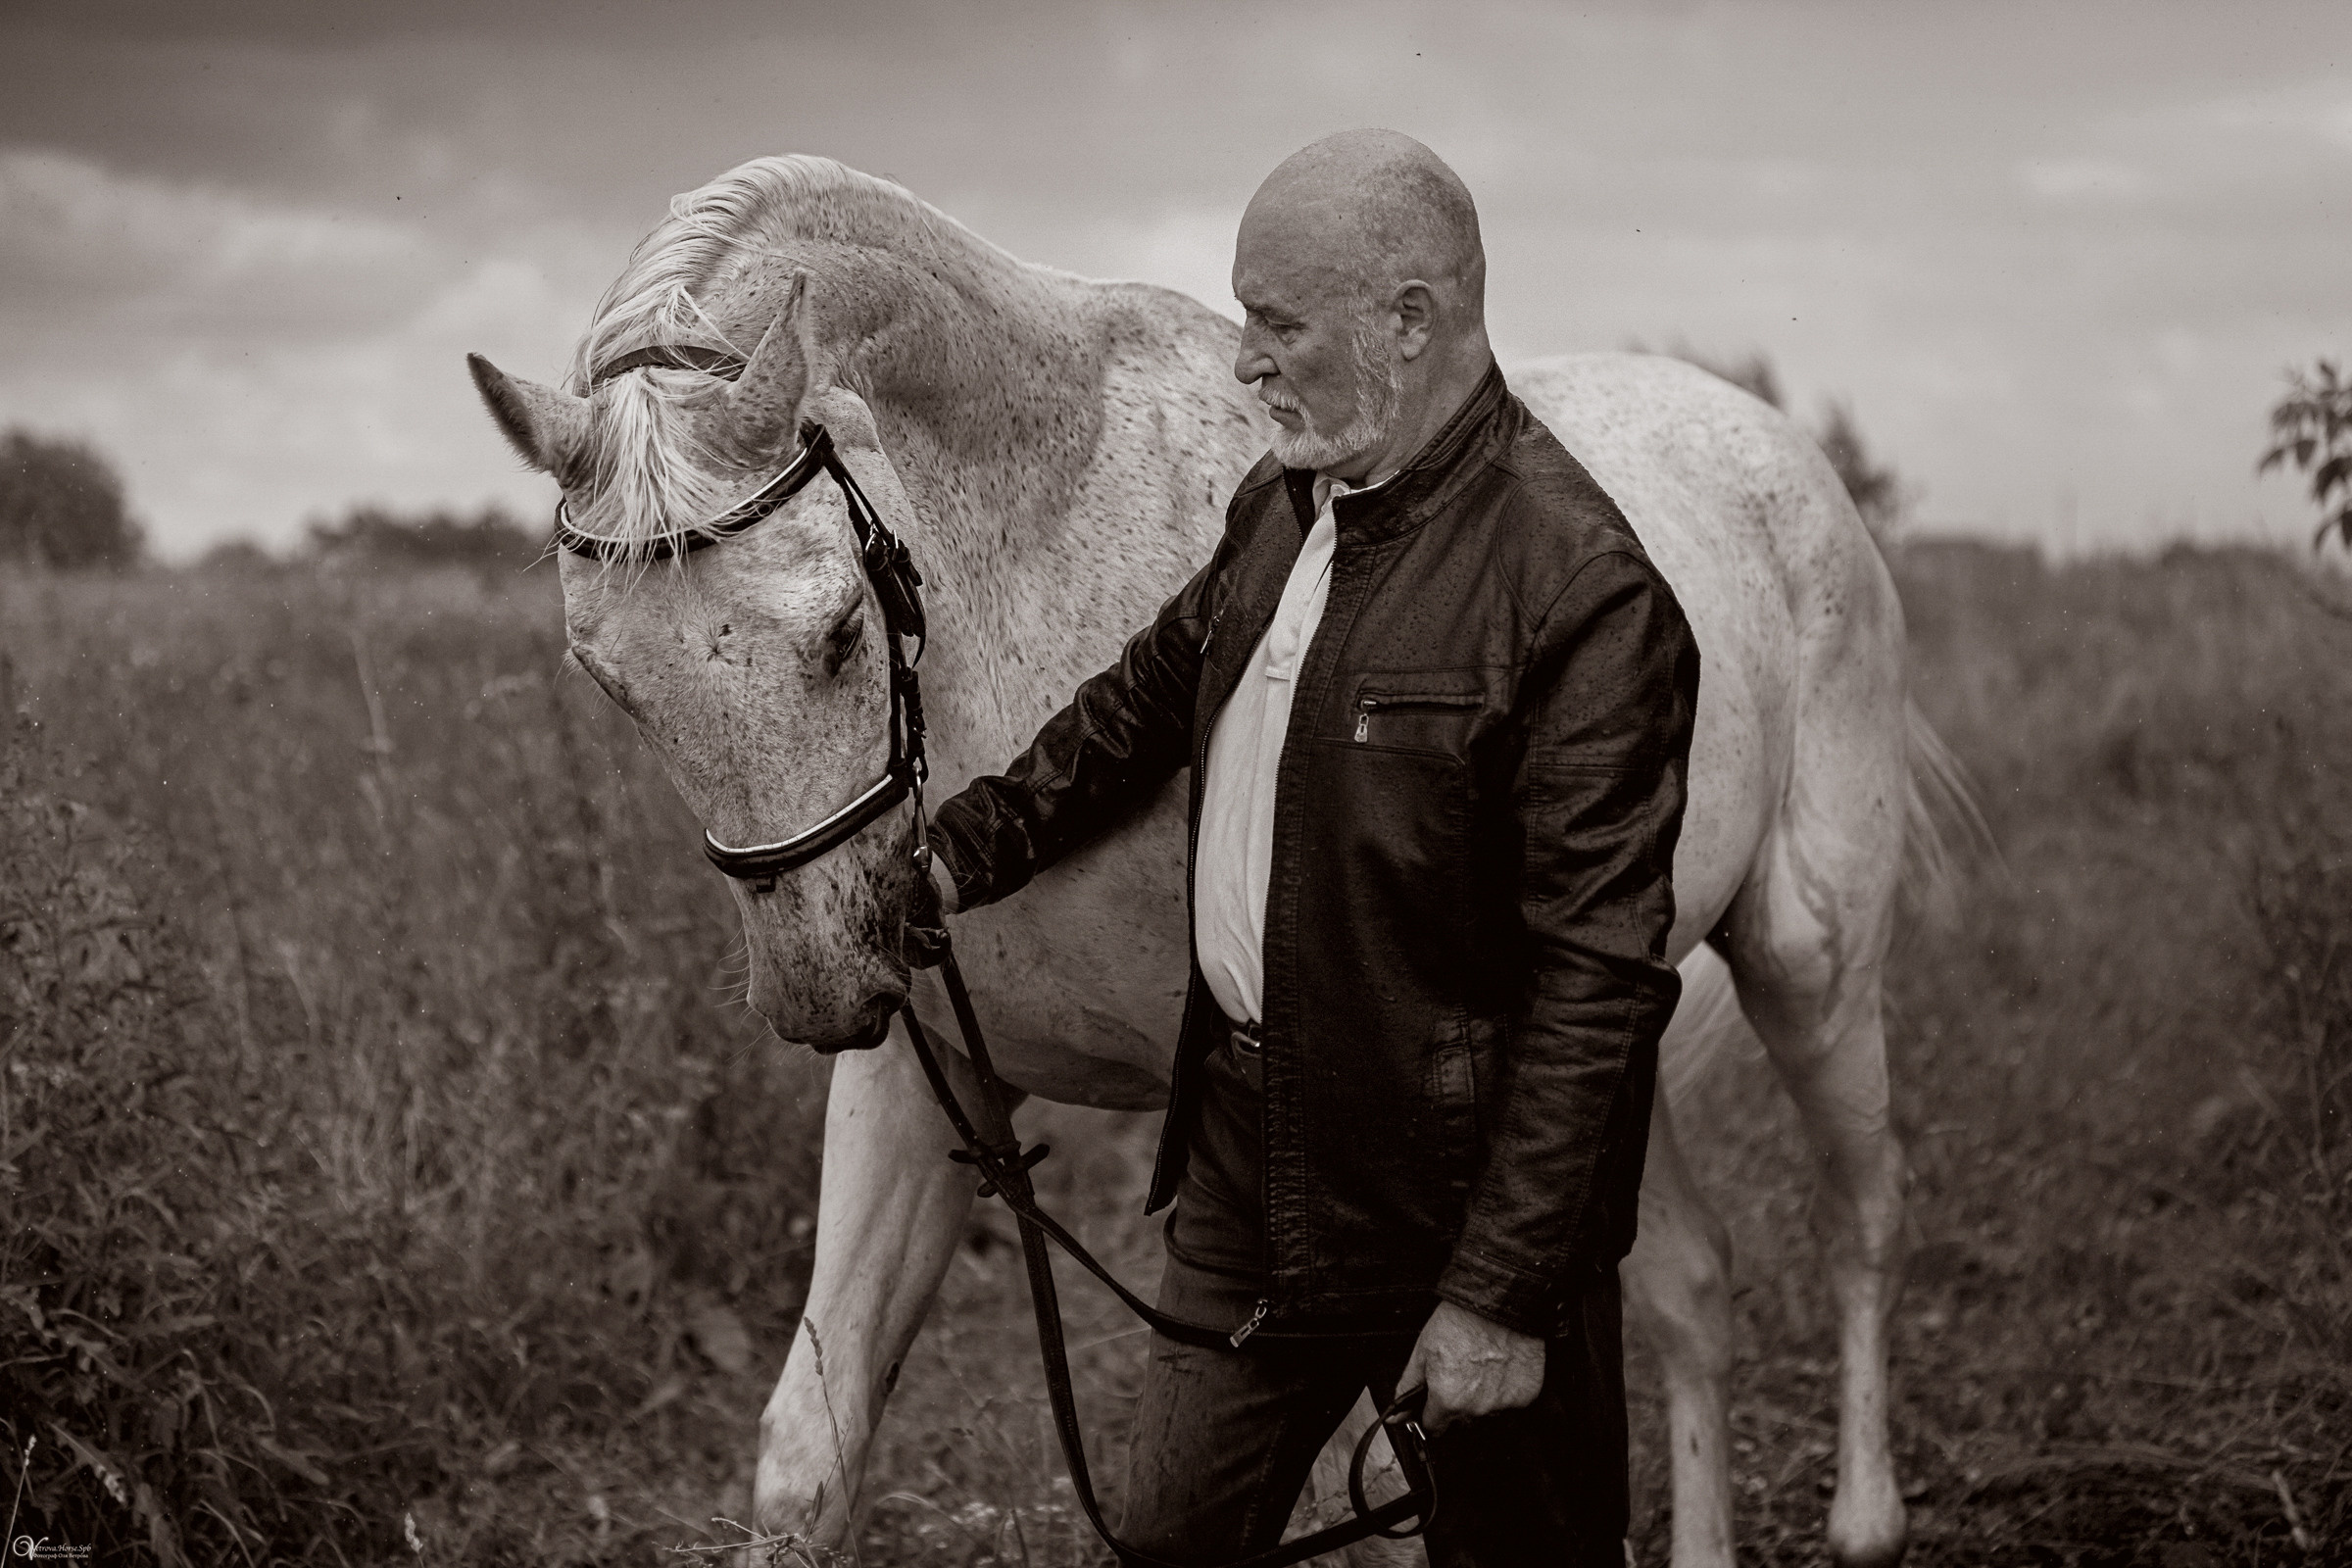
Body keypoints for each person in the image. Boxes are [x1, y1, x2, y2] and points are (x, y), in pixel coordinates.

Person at [923, 128, 1699, 1566]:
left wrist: (1502, 1292)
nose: (1244, 364)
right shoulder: (1284, 506)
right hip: (1246, 1154)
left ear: (1409, 323)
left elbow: (1598, 984)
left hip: (1454, 1200)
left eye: (1275, 324)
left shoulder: (1584, 596)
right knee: (1167, 1543)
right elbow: (1147, 699)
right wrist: (965, 849)